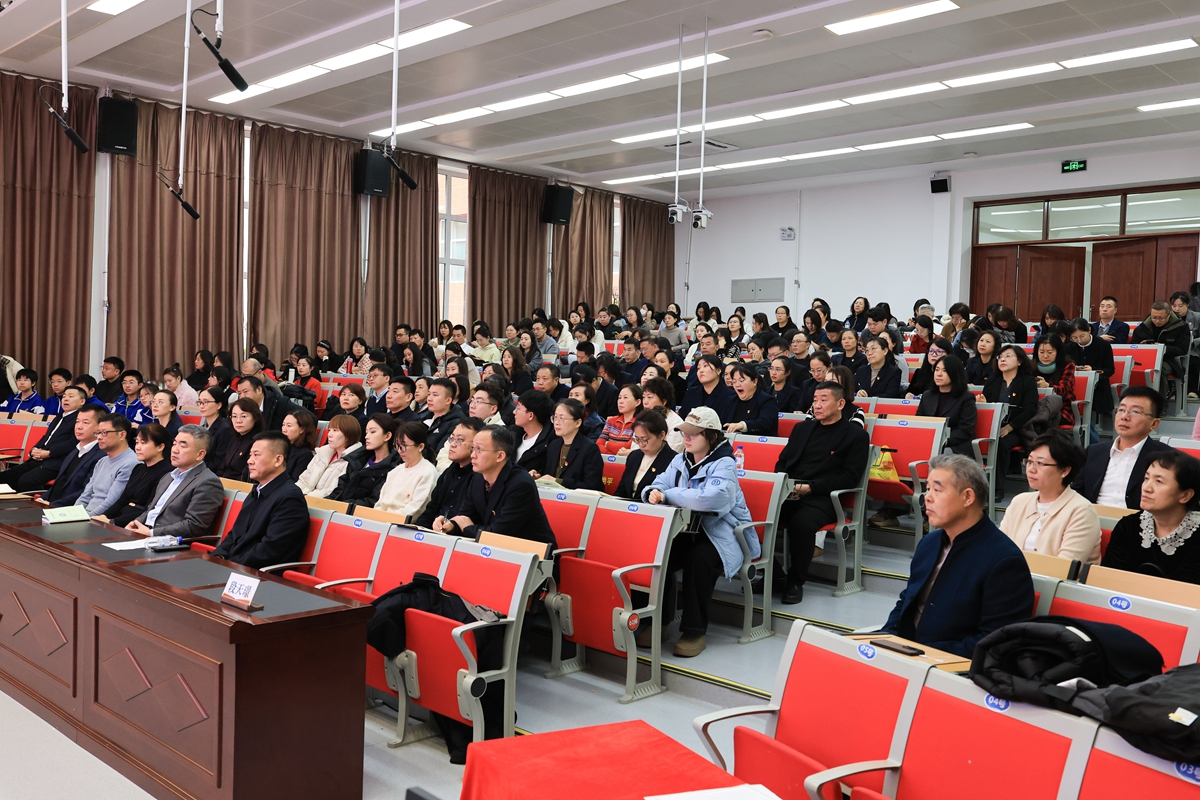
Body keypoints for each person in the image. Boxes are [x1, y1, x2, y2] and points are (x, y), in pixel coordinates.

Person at [880, 454, 1035, 657]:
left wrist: (922, 654)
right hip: (910, 657)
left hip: (950, 666)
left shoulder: (1004, 561)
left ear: (968, 497)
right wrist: (884, 640)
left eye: (937, 490)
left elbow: (996, 643)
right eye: (927, 489)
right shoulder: (929, 543)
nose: (927, 497)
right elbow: (906, 603)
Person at [644, 407, 754, 657]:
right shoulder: (680, 459)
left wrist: (667, 495)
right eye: (685, 432)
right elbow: (659, 483)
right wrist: (651, 492)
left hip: (724, 534)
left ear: (711, 436)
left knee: (698, 560)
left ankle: (694, 631)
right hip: (686, 530)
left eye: (694, 433)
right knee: (660, 555)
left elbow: (711, 499)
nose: (687, 437)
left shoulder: (725, 463)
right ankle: (659, 622)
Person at [774, 382, 871, 605]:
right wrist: (783, 482)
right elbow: (783, 461)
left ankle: (795, 582)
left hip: (823, 497)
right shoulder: (802, 429)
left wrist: (811, 488)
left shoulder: (855, 436)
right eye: (815, 400)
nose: (816, 405)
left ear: (840, 403)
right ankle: (776, 576)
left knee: (802, 524)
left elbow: (849, 477)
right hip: (789, 491)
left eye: (823, 400)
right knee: (753, 516)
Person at [431, 425, 556, 545]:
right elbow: (465, 516)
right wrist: (451, 525)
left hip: (531, 553)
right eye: (472, 448)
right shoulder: (478, 478)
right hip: (492, 548)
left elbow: (499, 534)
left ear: (500, 456)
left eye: (479, 449)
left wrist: (467, 528)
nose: (472, 455)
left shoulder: (521, 485)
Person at [210, 432, 309, 569]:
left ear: (278, 460)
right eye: (250, 455)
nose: (249, 461)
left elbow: (270, 549)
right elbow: (235, 533)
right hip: (236, 565)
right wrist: (218, 556)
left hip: (261, 573)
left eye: (256, 455)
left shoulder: (290, 498)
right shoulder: (257, 491)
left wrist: (230, 564)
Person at [1000, 430, 1100, 563]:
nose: (1031, 469)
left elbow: (1065, 567)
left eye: (1040, 463)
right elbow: (999, 548)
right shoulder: (1019, 501)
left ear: (1065, 470)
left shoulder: (1081, 511)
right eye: (1029, 461)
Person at [1102, 449, 1200, 584]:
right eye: (1146, 478)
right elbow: (1108, 579)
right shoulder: (1129, 525)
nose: (1146, 488)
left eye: (1159, 481)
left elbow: (1185, 589)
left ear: (1185, 495)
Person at [1073, 386, 1173, 509]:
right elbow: (1076, 493)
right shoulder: (1094, 452)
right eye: (1121, 410)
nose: (1124, 417)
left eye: (1135, 412)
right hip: (1092, 518)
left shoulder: (1166, 458)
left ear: (1154, 423)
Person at [124, 425, 224, 538]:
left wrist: (151, 533)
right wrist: (135, 523)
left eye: (182, 446)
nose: (175, 450)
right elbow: (151, 510)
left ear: (200, 454)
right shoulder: (168, 477)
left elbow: (194, 526)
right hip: (145, 534)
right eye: (174, 443)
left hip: (167, 542)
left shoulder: (207, 482)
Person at [0, 385, 84, 492]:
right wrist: (34, 450)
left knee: (26, 481)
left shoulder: (79, 420)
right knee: (5, 477)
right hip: (40, 459)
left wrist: (49, 453)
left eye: (71, 396)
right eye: (64, 396)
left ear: (82, 401)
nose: (66, 399)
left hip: (57, 462)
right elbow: (46, 437)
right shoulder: (59, 416)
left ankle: (39, 500)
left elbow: (74, 442)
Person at [983, 344, 1040, 500]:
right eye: (1000, 357)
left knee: (1001, 442)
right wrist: (983, 403)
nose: (1002, 359)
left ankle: (997, 489)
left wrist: (1010, 427)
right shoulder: (993, 380)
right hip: (994, 426)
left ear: (1019, 361)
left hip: (1019, 428)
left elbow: (1029, 410)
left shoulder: (1027, 381)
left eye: (1008, 356)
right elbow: (987, 404)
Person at [93, 423, 173, 527]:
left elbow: (149, 509)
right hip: (121, 518)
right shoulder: (138, 468)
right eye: (137, 442)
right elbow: (122, 500)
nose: (138, 447)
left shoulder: (167, 473)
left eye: (143, 443)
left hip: (137, 524)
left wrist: (113, 522)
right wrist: (104, 516)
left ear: (160, 447)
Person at [911, 355, 977, 456]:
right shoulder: (927, 395)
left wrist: (942, 439)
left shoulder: (966, 398)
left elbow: (966, 430)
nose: (939, 374)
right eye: (937, 370)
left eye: (944, 371)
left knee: (938, 455)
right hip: (929, 442)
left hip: (955, 446)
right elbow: (919, 421)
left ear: (955, 373)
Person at [74, 414, 138, 515]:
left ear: (122, 435)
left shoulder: (130, 463)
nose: (99, 437)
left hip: (100, 518)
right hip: (86, 515)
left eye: (104, 433)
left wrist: (86, 518)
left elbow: (111, 502)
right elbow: (86, 495)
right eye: (98, 433)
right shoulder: (102, 461)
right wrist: (74, 514)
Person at [330, 413, 401, 507]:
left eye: (372, 432)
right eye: (366, 432)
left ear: (387, 436)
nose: (366, 436)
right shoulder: (357, 460)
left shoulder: (393, 468)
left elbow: (373, 500)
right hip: (340, 509)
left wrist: (344, 506)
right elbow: (340, 489)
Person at [535, 398, 604, 491]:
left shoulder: (590, 449)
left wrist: (557, 481)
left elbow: (591, 485)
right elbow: (549, 474)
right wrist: (539, 476)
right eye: (555, 417)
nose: (556, 422)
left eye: (562, 418)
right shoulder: (554, 445)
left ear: (577, 423)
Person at [374, 422, 439, 520]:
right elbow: (379, 504)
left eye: (404, 445)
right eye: (397, 445)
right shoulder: (395, 471)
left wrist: (385, 519)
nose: (399, 450)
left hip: (401, 524)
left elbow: (415, 510)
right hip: (381, 520)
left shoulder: (428, 472)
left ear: (420, 447)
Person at [43, 406, 105, 507]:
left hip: (68, 508)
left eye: (85, 423)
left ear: (100, 427)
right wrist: (42, 498)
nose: (79, 427)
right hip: (51, 504)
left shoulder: (101, 456)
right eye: (77, 422)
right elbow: (58, 483)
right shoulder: (74, 451)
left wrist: (53, 504)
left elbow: (86, 492)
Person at [296, 414, 363, 498]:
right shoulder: (322, 453)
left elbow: (330, 492)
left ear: (348, 435)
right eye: (329, 430)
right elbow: (303, 481)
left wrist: (303, 498)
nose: (329, 435)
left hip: (319, 502)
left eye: (335, 430)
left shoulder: (351, 462)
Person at [1132, 301, 1191, 395]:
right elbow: (1133, 346)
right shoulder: (1143, 327)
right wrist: (1142, 346)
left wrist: (1162, 348)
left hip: (1169, 360)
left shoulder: (1180, 326)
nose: (1157, 321)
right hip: (1145, 359)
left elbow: (1182, 349)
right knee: (1131, 368)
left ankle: (1159, 402)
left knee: (1157, 369)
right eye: (1154, 317)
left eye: (1161, 318)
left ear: (1169, 315)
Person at [613, 411, 676, 499]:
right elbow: (622, 490)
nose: (641, 444)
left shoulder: (673, 461)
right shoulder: (634, 456)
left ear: (662, 435)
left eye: (645, 439)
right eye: (637, 439)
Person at [723, 363, 779, 436]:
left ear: (755, 382)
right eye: (734, 382)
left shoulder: (767, 400)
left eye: (741, 381)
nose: (737, 385)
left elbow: (765, 423)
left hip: (759, 441)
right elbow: (723, 424)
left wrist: (742, 425)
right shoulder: (731, 400)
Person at [215, 399, 264, 480]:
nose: (238, 421)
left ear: (255, 418)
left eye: (243, 416)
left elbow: (248, 475)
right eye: (234, 416)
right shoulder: (234, 439)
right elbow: (222, 466)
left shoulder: (258, 443)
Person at [1034, 335, 1076, 428]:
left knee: (1039, 421)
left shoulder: (1068, 365)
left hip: (1061, 410)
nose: (1045, 356)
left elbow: (1064, 389)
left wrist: (1048, 386)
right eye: (1041, 352)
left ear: (1058, 352)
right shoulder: (1032, 365)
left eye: (1050, 352)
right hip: (1036, 407)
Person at [679, 355, 737, 421]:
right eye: (698, 368)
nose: (701, 371)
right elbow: (682, 418)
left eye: (705, 366)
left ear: (718, 371)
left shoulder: (730, 396)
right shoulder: (691, 393)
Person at [597, 384, 642, 455]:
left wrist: (608, 444)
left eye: (625, 397)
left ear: (637, 402)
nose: (621, 401)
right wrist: (613, 457)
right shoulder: (611, 421)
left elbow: (628, 447)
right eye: (619, 398)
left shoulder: (640, 423)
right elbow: (599, 444)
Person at [197, 387, 233, 472]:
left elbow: (219, 462)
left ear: (219, 405)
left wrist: (195, 467)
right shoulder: (201, 427)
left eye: (206, 402)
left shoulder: (224, 430)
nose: (201, 406)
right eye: (199, 402)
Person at [281, 409, 318, 480]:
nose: (284, 429)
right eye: (283, 425)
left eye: (289, 426)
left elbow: (295, 481)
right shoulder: (281, 447)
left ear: (302, 429)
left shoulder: (305, 454)